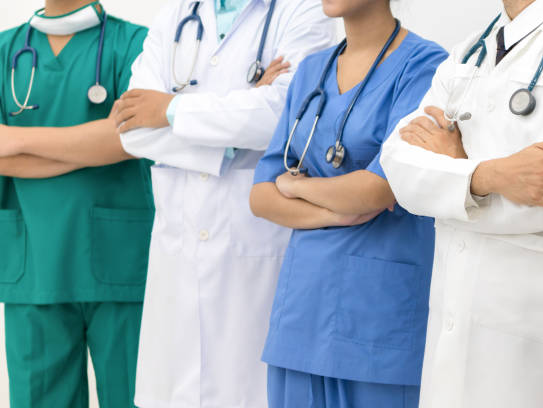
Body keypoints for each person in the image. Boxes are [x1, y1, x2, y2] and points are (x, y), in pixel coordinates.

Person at [380, 0, 543, 406]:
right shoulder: (470, 50)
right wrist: (487, 176)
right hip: (455, 325)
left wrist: (453, 175)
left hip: (539, 353)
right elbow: (399, 167)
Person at [108, 1, 334, 407]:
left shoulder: (304, 11)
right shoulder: (175, 16)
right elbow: (131, 129)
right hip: (177, 258)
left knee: (251, 390)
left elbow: (286, 115)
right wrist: (235, 128)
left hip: (253, 256)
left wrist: (171, 108)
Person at [249, 0, 448, 406]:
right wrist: (339, 205)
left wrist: (295, 186)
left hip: (376, 317)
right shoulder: (310, 71)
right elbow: (260, 195)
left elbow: (380, 188)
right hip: (301, 312)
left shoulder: (426, 66)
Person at [0, 1, 151, 407]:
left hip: (119, 264)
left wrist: (17, 138)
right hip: (33, 269)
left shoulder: (135, 44)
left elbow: (133, 138)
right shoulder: (4, 51)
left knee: (137, 397)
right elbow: (110, 139)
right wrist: (92, 142)